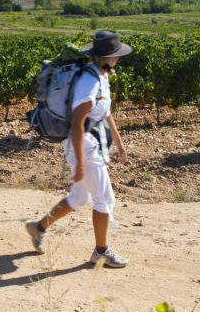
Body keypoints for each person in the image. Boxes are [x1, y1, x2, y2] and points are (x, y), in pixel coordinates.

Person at [26, 29, 132, 268]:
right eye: (116, 54)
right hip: (82, 142)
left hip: (88, 141)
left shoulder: (102, 75)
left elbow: (105, 111)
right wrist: (81, 163)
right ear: (106, 56)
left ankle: (38, 227)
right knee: (104, 199)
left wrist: (119, 141)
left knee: (80, 196)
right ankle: (101, 252)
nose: (118, 57)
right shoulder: (88, 81)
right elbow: (76, 122)